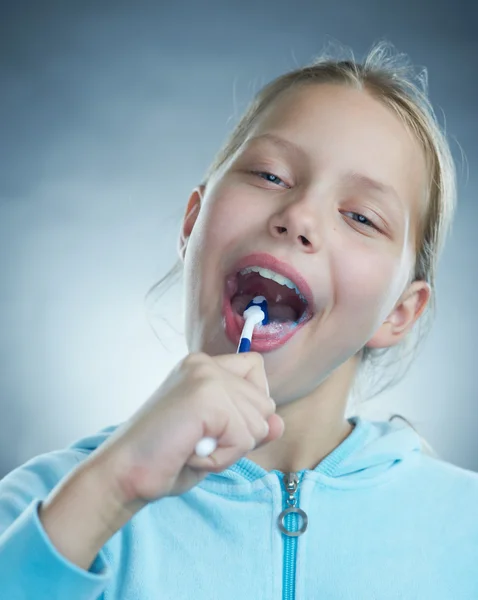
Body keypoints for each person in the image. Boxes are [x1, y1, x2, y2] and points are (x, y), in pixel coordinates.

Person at [1, 41, 477, 599]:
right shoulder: (46, 509)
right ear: (192, 226)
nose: (298, 216)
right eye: (270, 176)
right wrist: (113, 489)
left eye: (360, 216)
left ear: (399, 312)